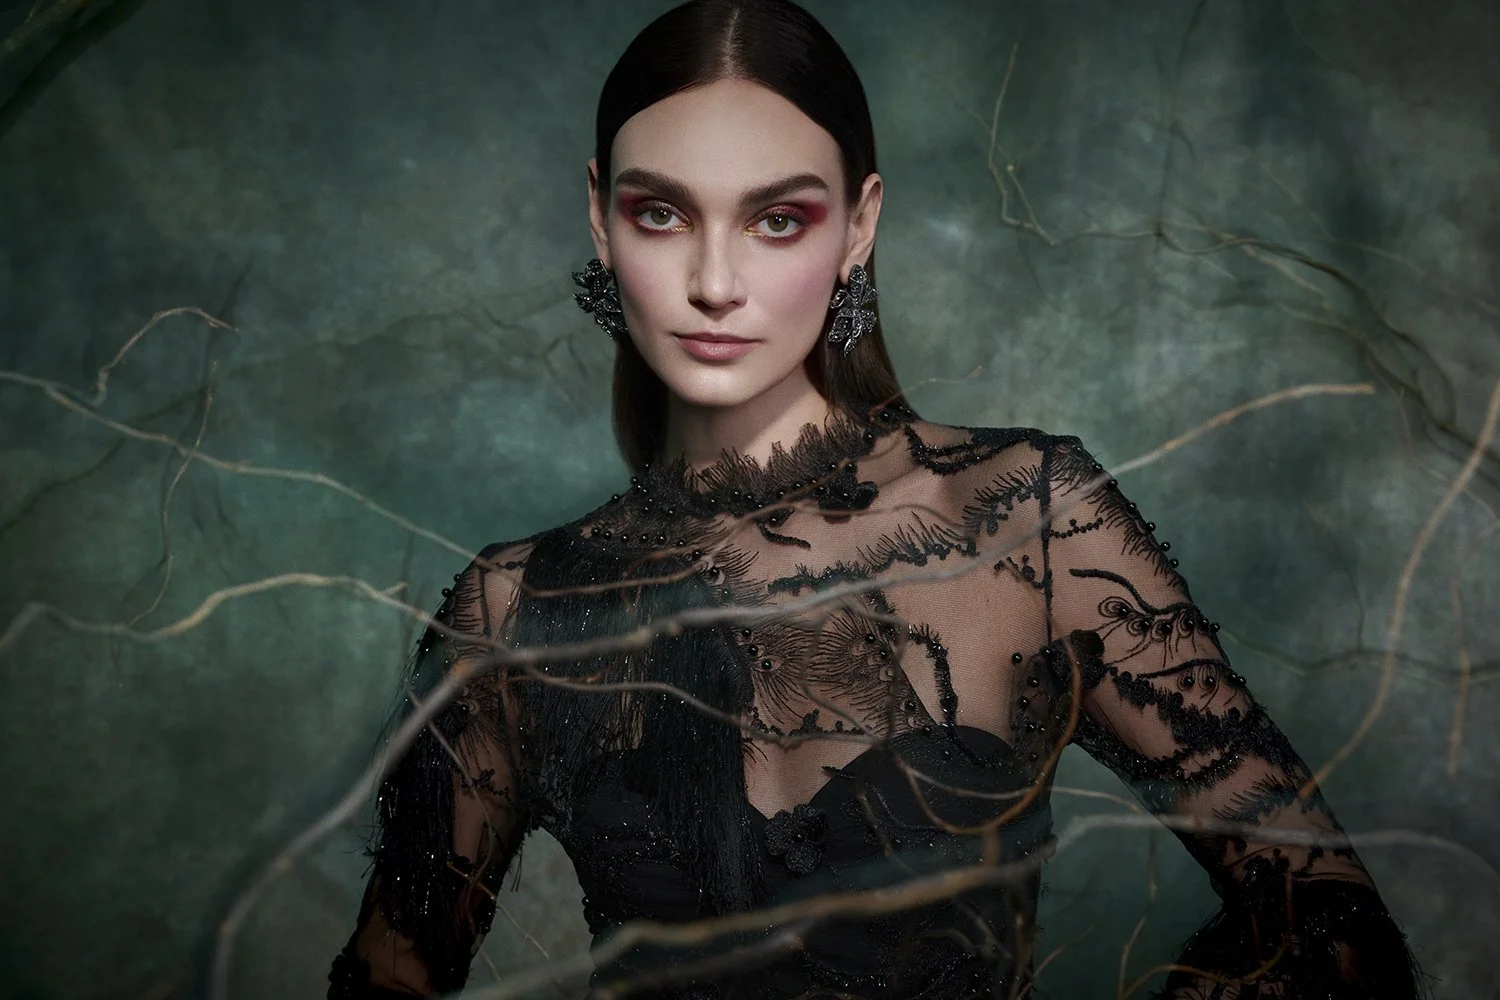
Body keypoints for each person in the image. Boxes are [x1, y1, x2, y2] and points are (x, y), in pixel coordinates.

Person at [327, 2, 1427, 997]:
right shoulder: (516, 611)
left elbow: (1335, 930)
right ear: (599, 219)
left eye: (776, 220)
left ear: (859, 225)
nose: (715, 281)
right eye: (662, 213)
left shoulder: (1024, 522)